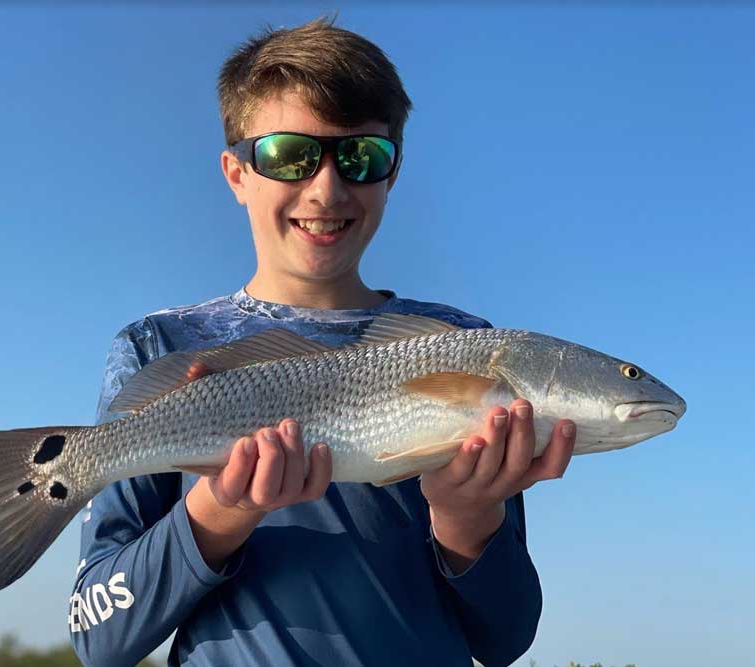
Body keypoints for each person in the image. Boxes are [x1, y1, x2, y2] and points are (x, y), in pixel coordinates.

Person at [68, 17, 575, 667]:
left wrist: (466, 519)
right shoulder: (162, 345)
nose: (327, 188)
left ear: (392, 174)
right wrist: (219, 510)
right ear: (236, 172)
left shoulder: (465, 347)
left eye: (362, 156)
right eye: (288, 155)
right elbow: (97, 633)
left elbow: (504, 638)